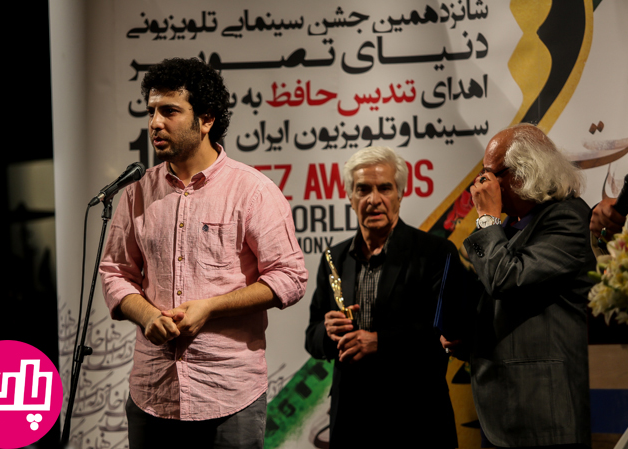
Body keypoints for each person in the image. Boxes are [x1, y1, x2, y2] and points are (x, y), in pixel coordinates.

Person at [99, 58, 307, 449]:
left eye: (169, 111)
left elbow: (290, 277)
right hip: (152, 393)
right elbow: (114, 271)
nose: (155, 123)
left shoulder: (253, 191)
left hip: (228, 394)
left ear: (206, 119)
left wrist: (210, 308)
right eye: (151, 112)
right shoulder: (136, 193)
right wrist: (146, 315)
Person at [449, 123, 594, 448]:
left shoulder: (567, 219)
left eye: (490, 174)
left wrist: (487, 219)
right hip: (504, 410)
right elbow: (511, 307)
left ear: (524, 172)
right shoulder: (511, 226)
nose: (481, 184)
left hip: (544, 415)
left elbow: (506, 279)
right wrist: (468, 337)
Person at [305, 146, 459, 448]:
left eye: (384, 188)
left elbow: (447, 334)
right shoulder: (334, 258)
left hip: (417, 420)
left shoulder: (436, 253)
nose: (373, 199)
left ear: (400, 194)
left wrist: (380, 342)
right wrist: (327, 332)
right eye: (363, 189)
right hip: (351, 422)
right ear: (350, 197)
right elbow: (312, 337)